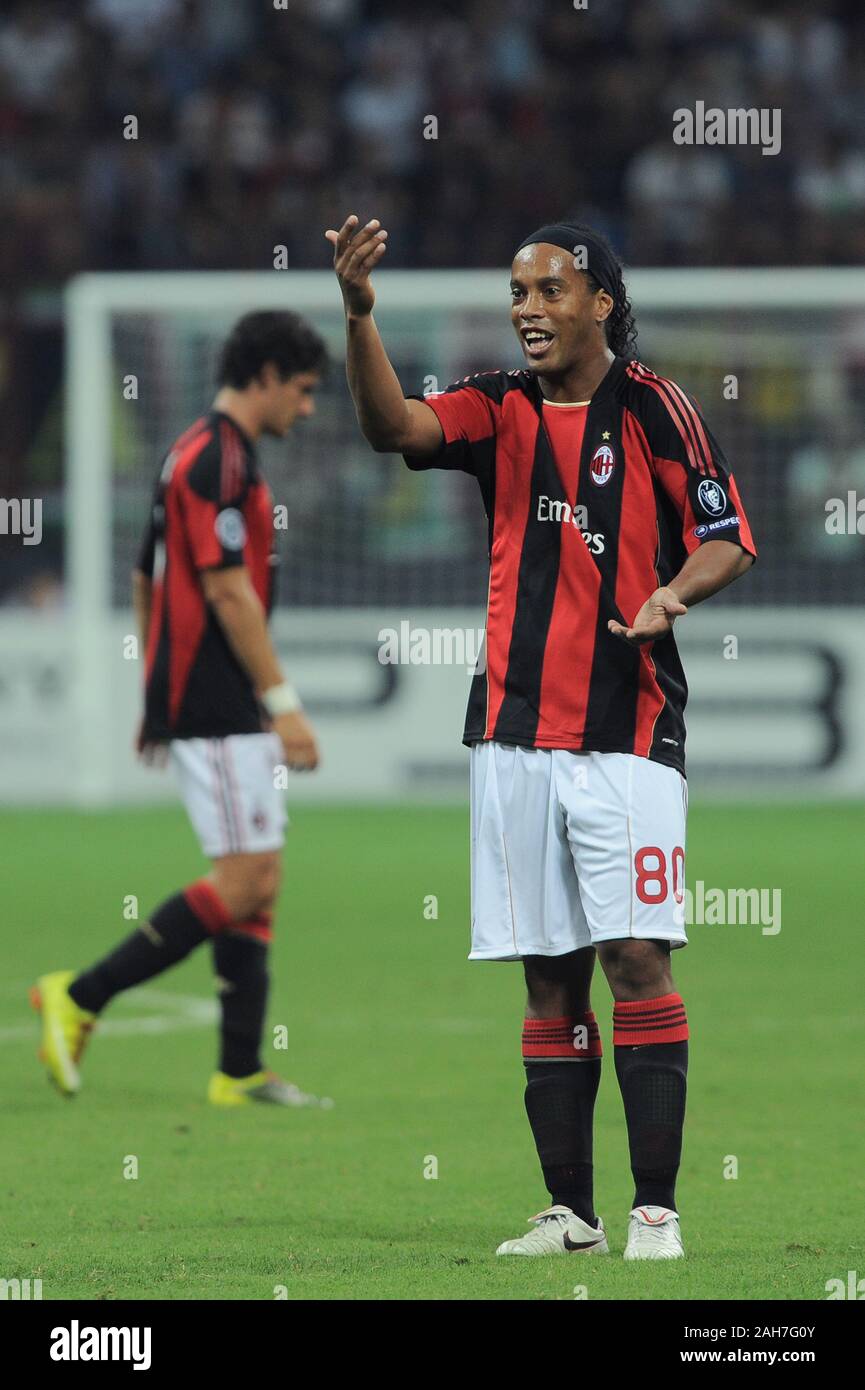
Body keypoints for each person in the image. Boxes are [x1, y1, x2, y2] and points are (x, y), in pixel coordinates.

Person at [325, 214, 756, 1258]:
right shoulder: (497, 405)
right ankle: (572, 1215)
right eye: (518, 290)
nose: (527, 308)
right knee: (546, 976)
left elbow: (727, 537)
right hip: (513, 735)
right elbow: (395, 431)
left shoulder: (657, 407)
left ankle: (656, 1210)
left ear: (601, 301)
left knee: (637, 957)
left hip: (626, 731)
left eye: (549, 289)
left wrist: (667, 597)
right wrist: (357, 312)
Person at [33, 310, 331, 1109]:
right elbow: (226, 591)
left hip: (201, 691)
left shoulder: (195, 453)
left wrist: (154, 686)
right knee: (246, 877)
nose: (306, 409)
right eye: (301, 391)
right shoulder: (220, 462)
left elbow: (146, 577)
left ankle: (237, 1071)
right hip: (221, 698)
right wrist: (284, 704)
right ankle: (80, 994)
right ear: (264, 374)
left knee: (258, 880)